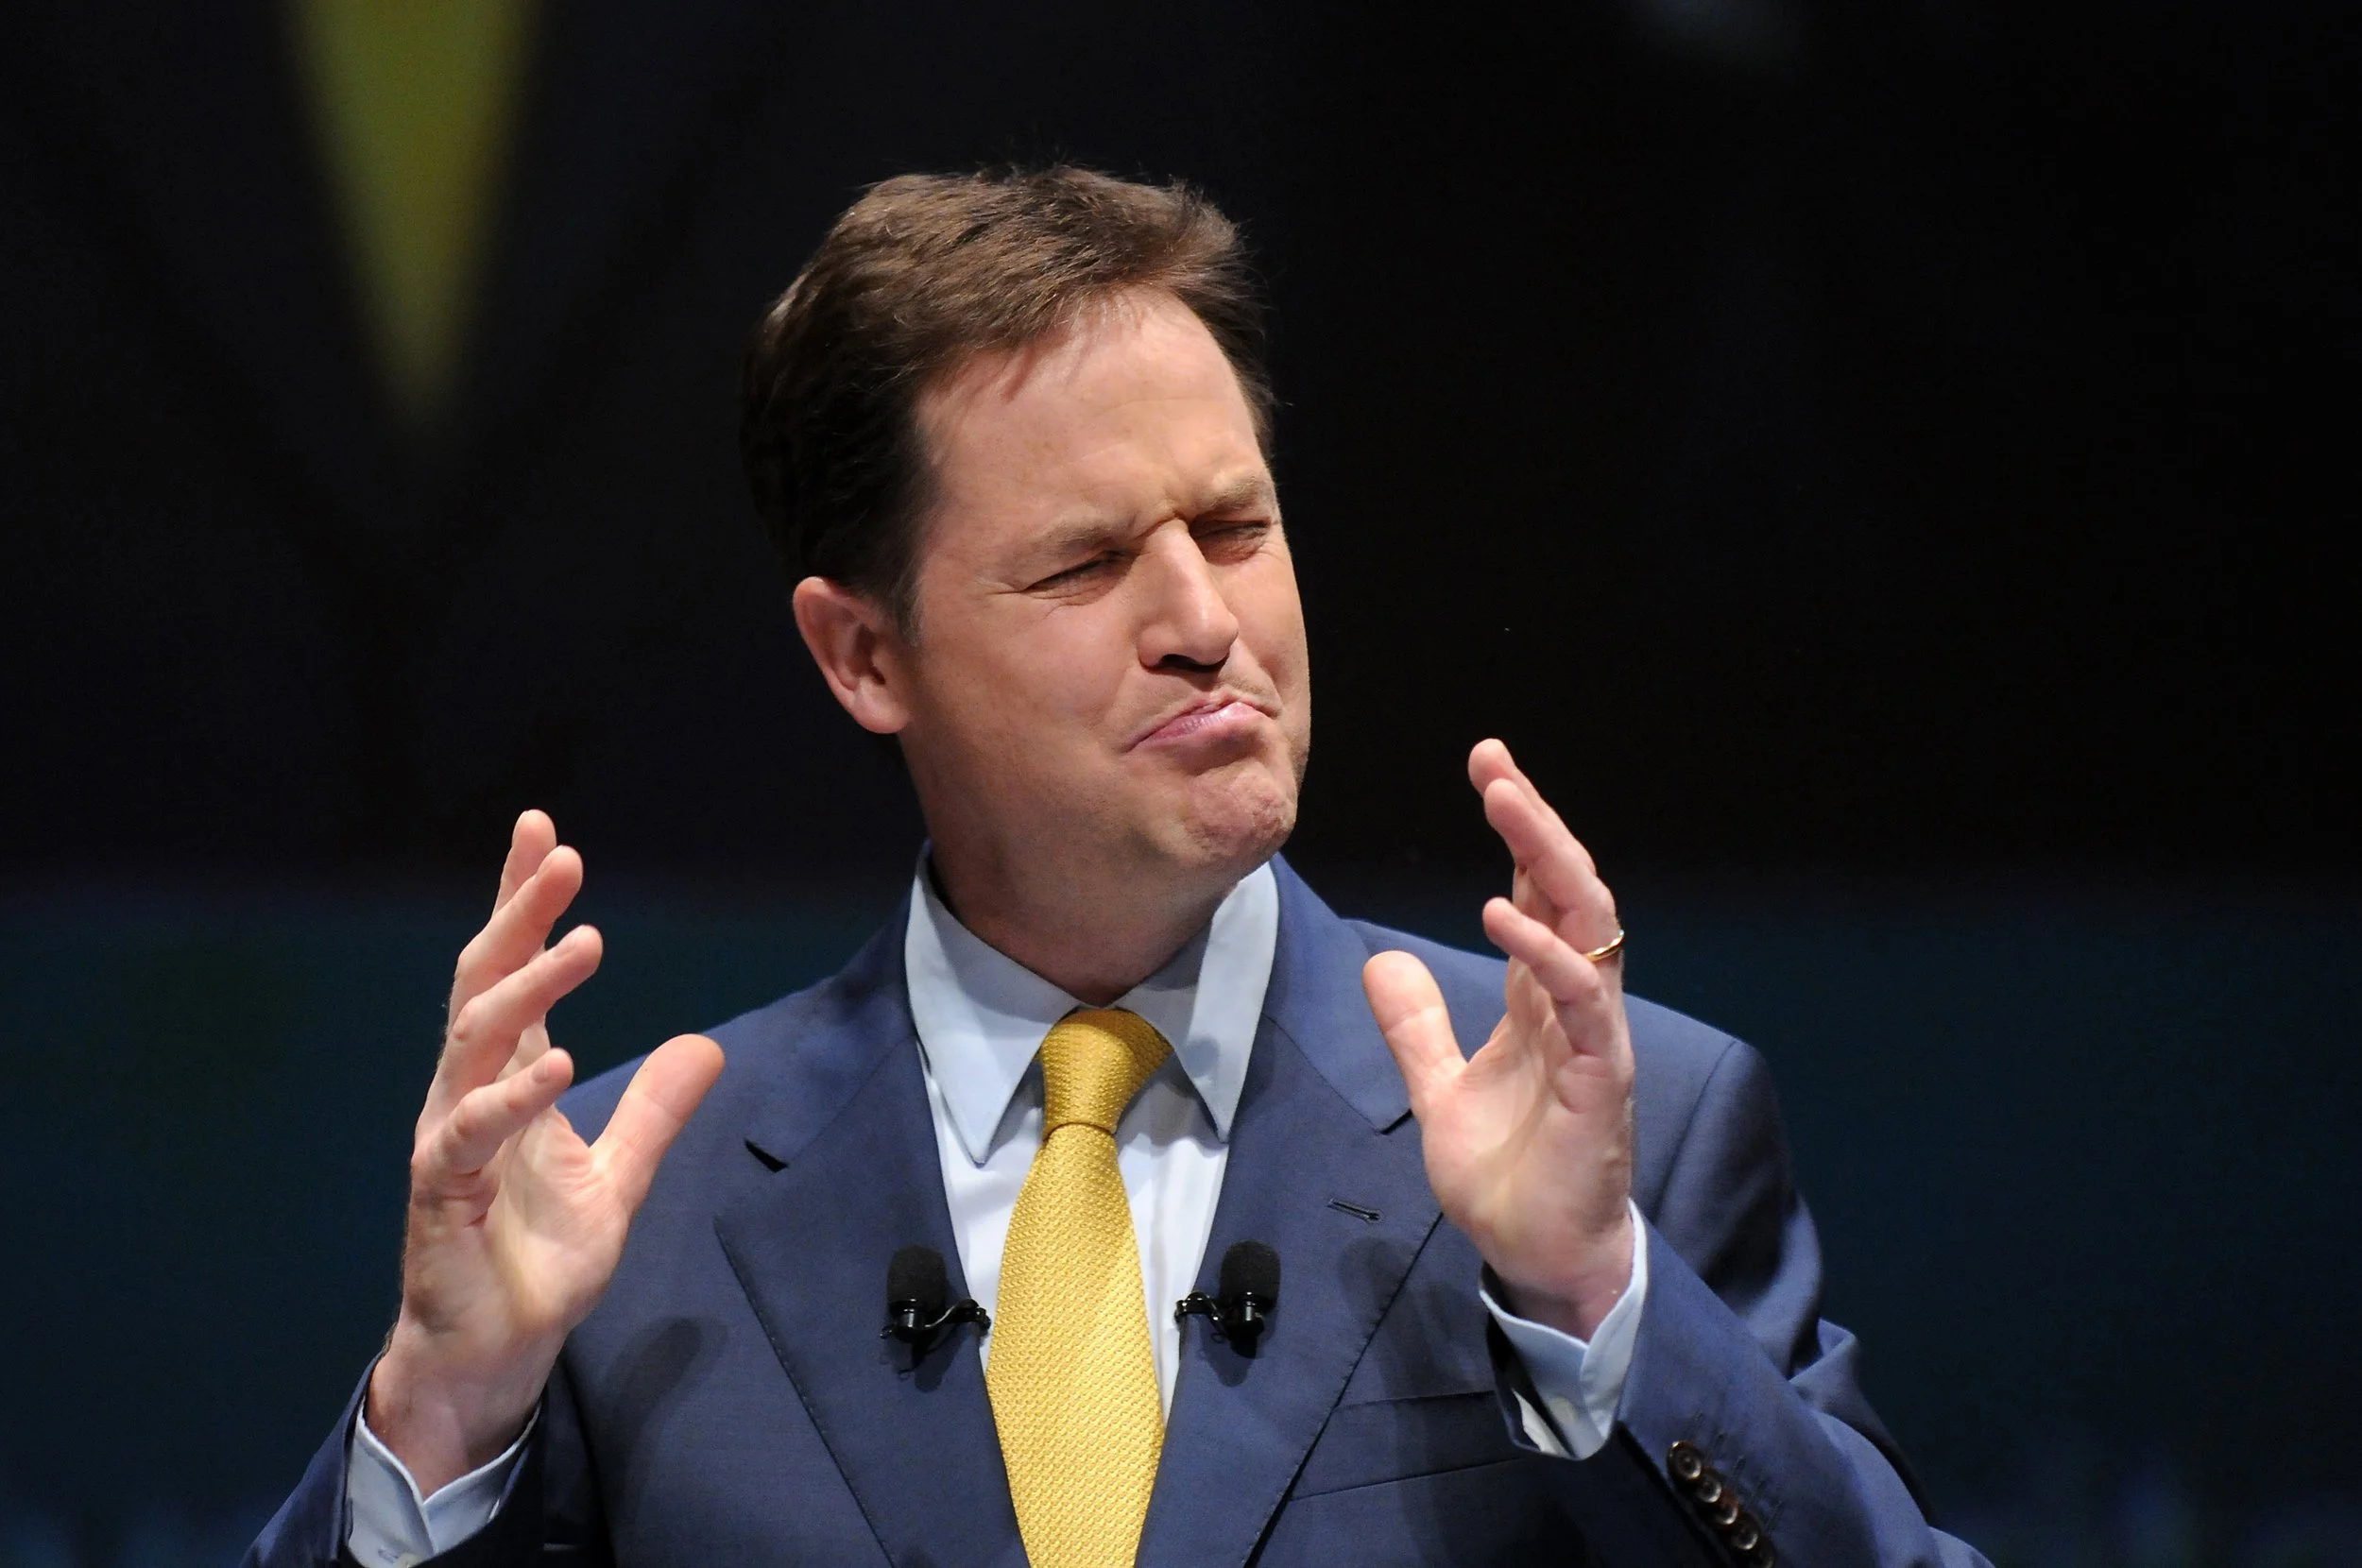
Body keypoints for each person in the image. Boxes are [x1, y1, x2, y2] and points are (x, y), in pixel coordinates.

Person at [247, 167, 1985, 1568]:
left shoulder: (1628, 1136)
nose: (1206, 624)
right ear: (864, 656)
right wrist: (445, 1422)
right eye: (1086, 565)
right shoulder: (626, 1231)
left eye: (1236, 528)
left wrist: (1597, 1308)